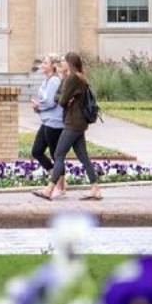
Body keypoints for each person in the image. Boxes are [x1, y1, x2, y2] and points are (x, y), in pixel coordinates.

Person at [48, 52, 102, 201]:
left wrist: (66, 96)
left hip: (73, 122)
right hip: (80, 123)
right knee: (83, 156)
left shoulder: (72, 78)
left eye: (64, 61)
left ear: (70, 63)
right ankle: (95, 189)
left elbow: (61, 101)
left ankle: (49, 189)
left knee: (58, 155)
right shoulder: (80, 76)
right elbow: (65, 98)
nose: (61, 63)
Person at [30, 54, 67, 200]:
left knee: (55, 155)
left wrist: (39, 107)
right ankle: (57, 180)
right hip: (46, 121)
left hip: (55, 122)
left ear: (53, 66)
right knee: (37, 151)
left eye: (45, 63)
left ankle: (60, 187)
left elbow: (51, 102)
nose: (42, 65)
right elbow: (44, 101)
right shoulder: (46, 80)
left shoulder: (54, 81)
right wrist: (38, 107)